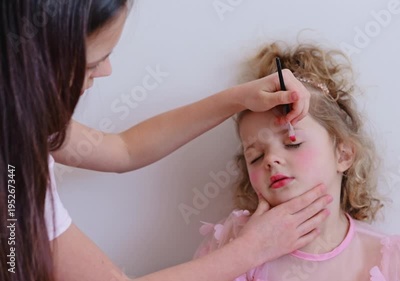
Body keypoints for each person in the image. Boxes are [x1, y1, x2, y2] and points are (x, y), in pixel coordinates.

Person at [0, 1, 333, 281]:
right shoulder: (11, 161)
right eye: (94, 60)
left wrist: (239, 98)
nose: (106, 70)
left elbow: (123, 150)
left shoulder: (22, 113)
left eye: (292, 143)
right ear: (35, 61)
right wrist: (251, 250)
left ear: (345, 154)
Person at [193, 42, 400, 280]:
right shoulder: (235, 242)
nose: (271, 160)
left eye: (292, 143)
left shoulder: (389, 259)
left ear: (343, 155)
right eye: (255, 156)